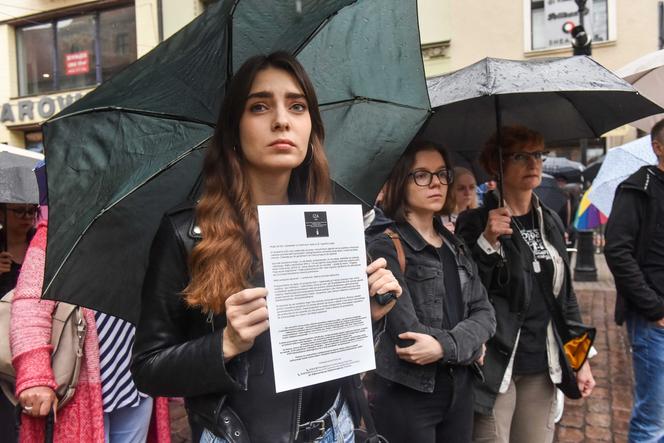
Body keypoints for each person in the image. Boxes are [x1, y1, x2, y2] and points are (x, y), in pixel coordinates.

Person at [130, 52, 401, 443]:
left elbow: (340, 359)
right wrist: (224, 344)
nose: (281, 120)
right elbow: (148, 367)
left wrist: (369, 318)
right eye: (259, 106)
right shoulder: (187, 233)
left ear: (312, 127)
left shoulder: (332, 227)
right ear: (234, 129)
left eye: (297, 106)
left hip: (336, 429)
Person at [455, 125, 595, 443]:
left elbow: (565, 300)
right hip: (493, 365)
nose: (533, 163)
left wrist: (580, 359)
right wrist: (487, 242)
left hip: (541, 364)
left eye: (538, 154)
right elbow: (466, 289)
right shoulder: (475, 222)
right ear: (496, 163)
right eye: (520, 155)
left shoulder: (551, 221)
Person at [366, 140, 496, 443]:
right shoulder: (385, 246)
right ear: (400, 182)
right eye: (422, 175)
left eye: (441, 174)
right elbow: (408, 335)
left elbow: (485, 313)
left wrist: (446, 348)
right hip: (409, 395)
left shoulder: (455, 244)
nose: (436, 182)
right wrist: (472, 348)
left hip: (459, 389)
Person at [604, 118, 664, 442]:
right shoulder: (637, 188)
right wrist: (654, 308)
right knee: (652, 422)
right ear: (658, 147)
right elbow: (617, 251)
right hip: (654, 322)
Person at [0, 203, 37, 443]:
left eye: (32, 211)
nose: (27, 218)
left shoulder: (41, 245)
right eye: (19, 211)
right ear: (1, 212)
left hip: (33, 340)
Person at [441, 167, 479, 231]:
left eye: (472, 187)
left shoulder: (479, 217)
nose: (468, 192)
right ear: (450, 191)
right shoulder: (437, 219)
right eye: (461, 188)